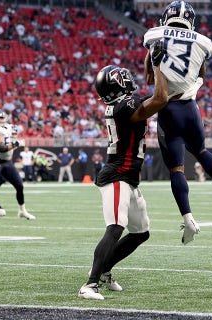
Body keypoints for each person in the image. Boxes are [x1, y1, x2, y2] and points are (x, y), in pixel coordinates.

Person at [143, 0, 212, 245]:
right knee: (201, 151)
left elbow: (149, 70)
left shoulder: (154, 35)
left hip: (168, 109)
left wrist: (152, 64)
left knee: (177, 169)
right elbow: (202, 71)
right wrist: (195, 84)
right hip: (190, 108)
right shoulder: (203, 41)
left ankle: (188, 219)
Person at [78, 42, 168, 300]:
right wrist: (158, 65)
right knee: (116, 227)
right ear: (118, 84)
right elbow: (160, 98)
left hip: (127, 176)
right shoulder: (124, 106)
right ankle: (90, 284)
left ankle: (106, 270)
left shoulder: (122, 104)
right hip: (117, 176)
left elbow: (150, 86)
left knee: (141, 232)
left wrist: (151, 59)